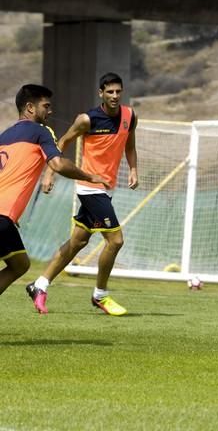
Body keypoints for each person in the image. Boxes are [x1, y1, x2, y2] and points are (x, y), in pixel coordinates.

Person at [26, 72, 139, 316]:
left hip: (107, 188)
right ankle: (101, 295)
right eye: (109, 92)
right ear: (101, 93)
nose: (115, 96)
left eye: (118, 91)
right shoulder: (87, 120)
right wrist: (49, 173)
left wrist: (133, 169)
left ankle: (40, 284)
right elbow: (63, 142)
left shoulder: (130, 116)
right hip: (89, 187)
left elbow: (130, 145)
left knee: (79, 241)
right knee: (116, 240)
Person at [0, 84, 110, 301]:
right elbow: (58, 164)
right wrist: (89, 176)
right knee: (19, 264)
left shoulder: (4, 136)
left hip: (4, 217)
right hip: (2, 218)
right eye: (46, 106)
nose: (50, 112)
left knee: (20, 263)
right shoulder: (41, 131)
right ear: (30, 108)